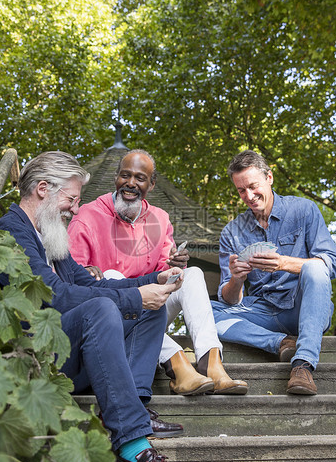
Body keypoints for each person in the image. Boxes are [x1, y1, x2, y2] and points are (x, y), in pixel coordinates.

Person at [0, 151, 188, 462]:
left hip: (67, 353)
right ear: (42, 189)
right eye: (71, 199)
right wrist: (134, 297)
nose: (76, 209)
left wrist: (151, 281)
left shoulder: (50, 236)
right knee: (102, 309)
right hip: (35, 358)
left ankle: (132, 403)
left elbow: (89, 285)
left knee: (148, 307)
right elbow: (55, 295)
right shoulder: (9, 233)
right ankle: (132, 447)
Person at [68, 149, 247, 395]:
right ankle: (177, 364)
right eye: (125, 175)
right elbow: (70, 277)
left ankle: (211, 363)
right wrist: (86, 270)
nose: (130, 183)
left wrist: (176, 264)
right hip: (109, 317)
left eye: (140, 178)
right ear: (116, 178)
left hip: (150, 314)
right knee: (114, 277)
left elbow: (163, 274)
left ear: (151, 185)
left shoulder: (160, 219)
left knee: (193, 273)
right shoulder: (87, 215)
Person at [212, 150, 336, 396]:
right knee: (203, 311)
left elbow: (332, 264)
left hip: (303, 308)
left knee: (315, 267)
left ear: (269, 178)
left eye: (253, 186)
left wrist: (283, 263)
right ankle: (281, 343)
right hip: (261, 311)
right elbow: (228, 300)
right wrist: (237, 279)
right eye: (241, 190)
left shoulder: (303, 210)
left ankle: (302, 365)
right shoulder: (232, 231)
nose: (249, 196)